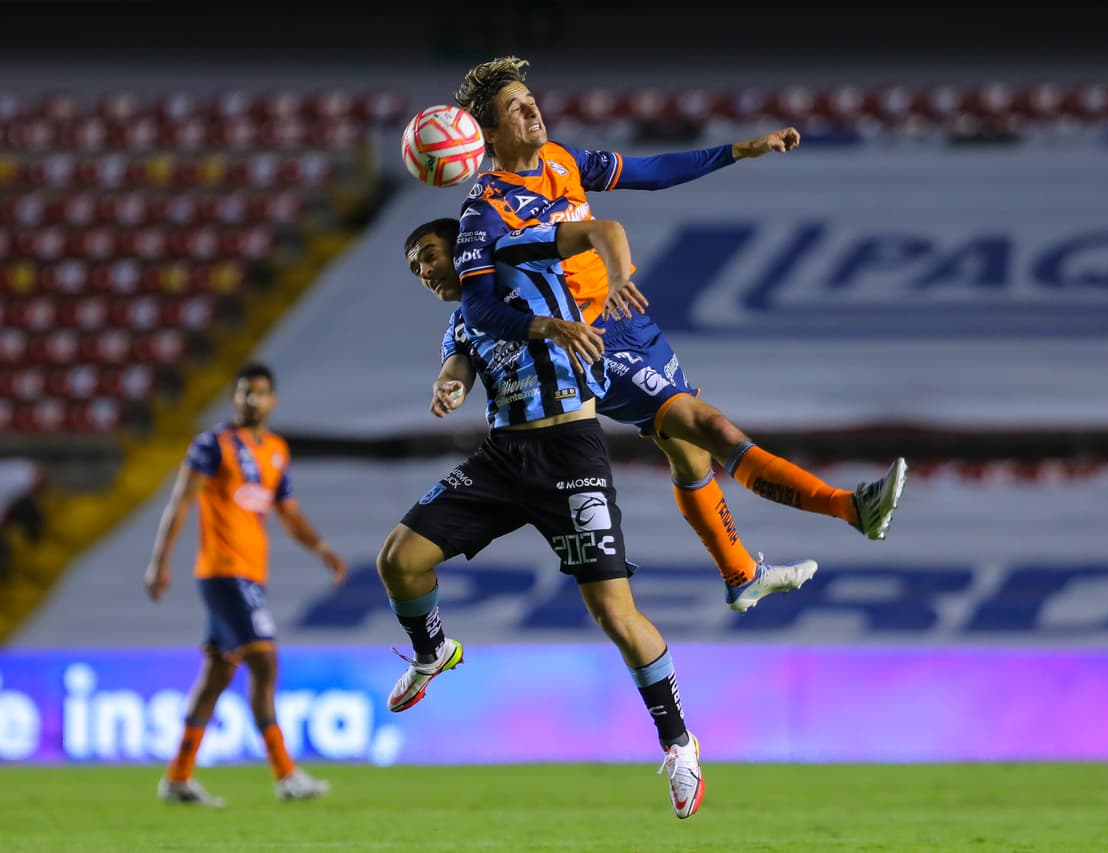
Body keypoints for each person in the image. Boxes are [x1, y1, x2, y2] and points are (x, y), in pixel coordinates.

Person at [450, 56, 907, 614]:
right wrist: (546, 325)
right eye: (513, 107)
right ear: (489, 133)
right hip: (587, 343)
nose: (531, 108)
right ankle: (851, 508)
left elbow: (652, 171)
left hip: (629, 321)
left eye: (530, 98)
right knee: (706, 424)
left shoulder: (561, 159)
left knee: (688, 452)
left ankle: (740, 574)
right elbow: (476, 307)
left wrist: (741, 149)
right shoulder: (484, 212)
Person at [379, 216, 704, 819]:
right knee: (399, 559)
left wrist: (614, 274)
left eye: (427, 255)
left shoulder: (525, 265)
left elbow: (598, 227)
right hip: (504, 457)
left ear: (463, 247)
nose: (423, 272)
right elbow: (457, 365)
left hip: (571, 450)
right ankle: (433, 651)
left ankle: (679, 743)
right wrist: (448, 387)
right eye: (413, 268)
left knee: (614, 613)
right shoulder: (464, 318)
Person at [143, 363, 348, 807]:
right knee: (265, 664)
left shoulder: (276, 450)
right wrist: (159, 561)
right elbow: (181, 501)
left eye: (259, 393)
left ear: (272, 400)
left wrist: (323, 549)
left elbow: (288, 513)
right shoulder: (212, 446)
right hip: (222, 572)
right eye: (244, 393)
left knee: (218, 676)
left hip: (252, 574)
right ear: (235, 398)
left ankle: (178, 777)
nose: (251, 400)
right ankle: (286, 775)